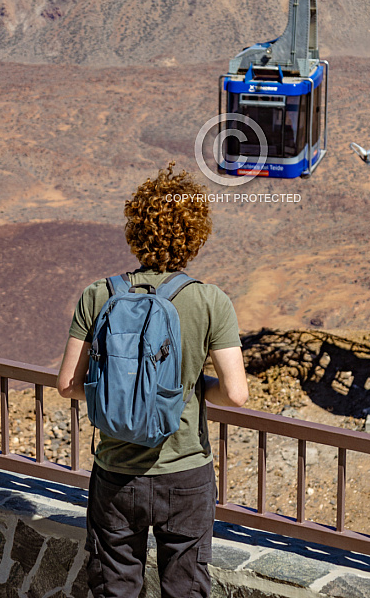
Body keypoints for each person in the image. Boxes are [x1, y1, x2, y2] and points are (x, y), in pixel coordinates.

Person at [57, 163, 248, 598]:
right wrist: (195, 387)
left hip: (115, 473)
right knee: (185, 588)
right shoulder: (209, 299)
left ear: (136, 229)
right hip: (184, 474)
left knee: (114, 587)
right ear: (195, 235)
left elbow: (68, 384)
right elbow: (237, 394)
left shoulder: (99, 294)